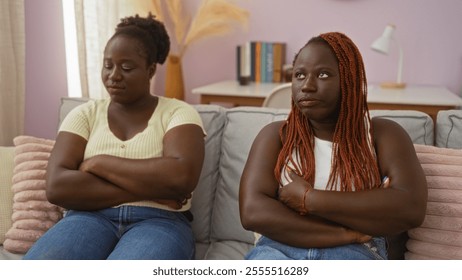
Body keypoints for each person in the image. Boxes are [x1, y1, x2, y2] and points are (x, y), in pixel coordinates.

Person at [24, 13, 205, 260]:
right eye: (108, 65)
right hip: (87, 217)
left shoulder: (178, 112)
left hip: (160, 223)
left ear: (150, 70)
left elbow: (180, 177)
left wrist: (96, 163)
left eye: (127, 67)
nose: (114, 75)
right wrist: (153, 190)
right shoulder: (84, 115)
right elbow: (57, 187)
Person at [239, 32, 427, 260]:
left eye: (323, 74)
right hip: (278, 248)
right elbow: (252, 213)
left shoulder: (382, 134)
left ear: (350, 80)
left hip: (356, 251)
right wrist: (346, 233)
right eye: (299, 75)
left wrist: (309, 199)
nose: (307, 86)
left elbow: (410, 208)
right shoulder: (277, 136)